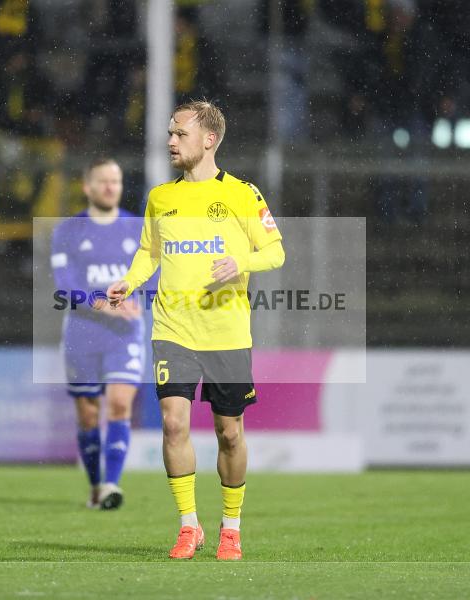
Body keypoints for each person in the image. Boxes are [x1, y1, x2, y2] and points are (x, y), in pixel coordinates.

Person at [106, 101, 285, 560]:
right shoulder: (161, 197)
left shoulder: (244, 194)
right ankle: (189, 525)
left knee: (229, 432)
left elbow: (275, 253)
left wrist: (240, 262)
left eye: (180, 133)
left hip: (226, 332)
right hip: (173, 328)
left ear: (208, 139)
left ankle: (231, 527)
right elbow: (149, 252)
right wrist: (130, 280)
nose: (171, 141)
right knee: (173, 422)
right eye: (170, 133)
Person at [51, 158, 147, 510]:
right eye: (103, 181)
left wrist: (139, 300)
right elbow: (65, 286)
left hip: (125, 334)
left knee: (120, 404)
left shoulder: (138, 228)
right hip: (83, 332)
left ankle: (111, 484)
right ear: (87, 186)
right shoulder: (67, 231)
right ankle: (95, 485)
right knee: (89, 414)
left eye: (116, 181)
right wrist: (103, 304)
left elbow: (152, 275)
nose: (110, 187)